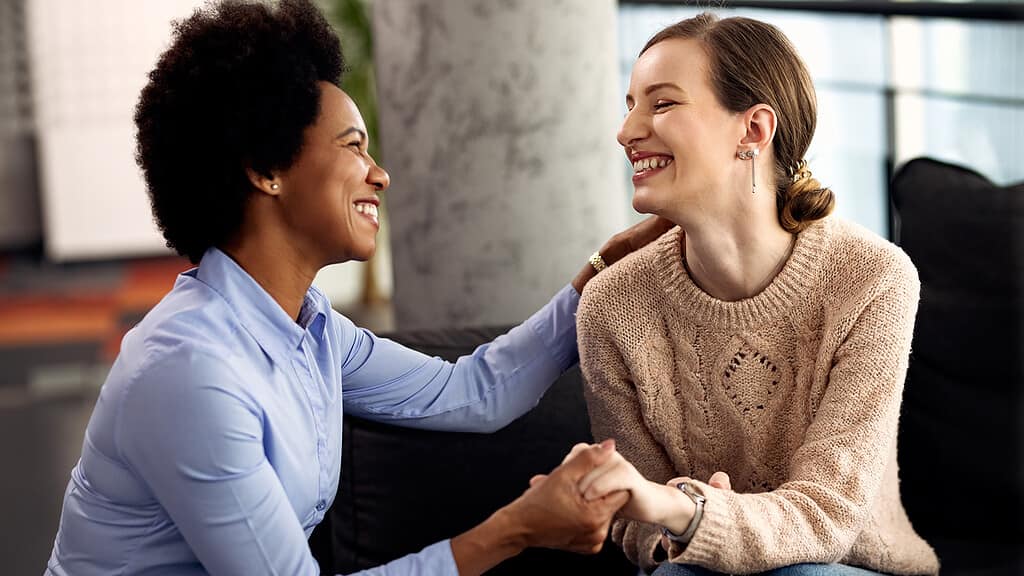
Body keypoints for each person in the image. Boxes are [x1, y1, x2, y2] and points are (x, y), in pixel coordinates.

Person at [44, 1, 673, 574]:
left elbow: (475, 391)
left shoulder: (309, 327)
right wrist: (517, 529)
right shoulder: (190, 373)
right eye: (354, 147)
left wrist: (597, 273)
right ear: (267, 170)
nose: (381, 174)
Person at [572, 13, 940, 576]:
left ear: (754, 130)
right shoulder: (611, 305)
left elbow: (828, 514)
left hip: (851, 566)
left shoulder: (873, 279)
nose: (627, 131)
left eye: (662, 104)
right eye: (629, 105)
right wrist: (685, 521)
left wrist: (690, 509)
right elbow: (635, 519)